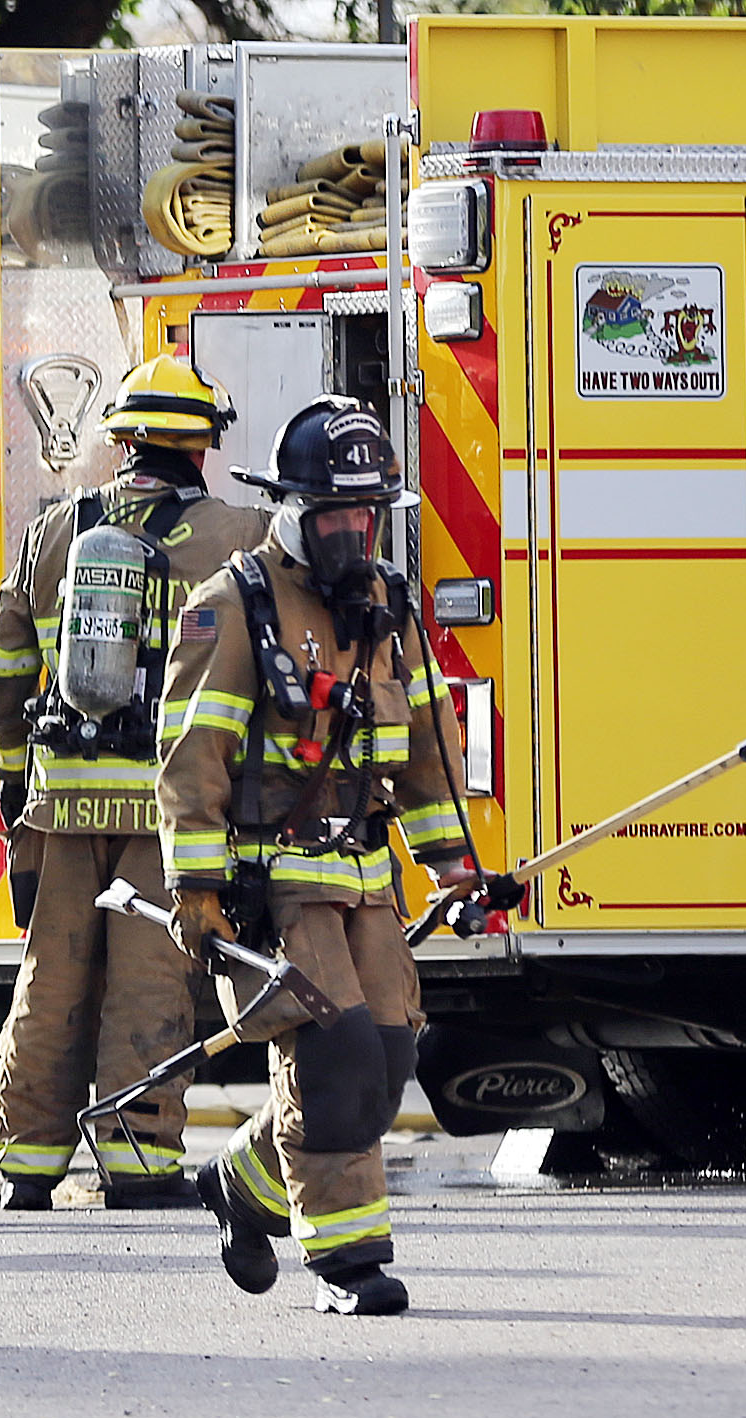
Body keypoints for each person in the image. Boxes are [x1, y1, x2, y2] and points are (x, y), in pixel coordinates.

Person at [158, 396, 478, 1315]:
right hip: (277, 887)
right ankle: (348, 1261)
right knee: (333, 1062)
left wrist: (453, 866)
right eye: (334, 516)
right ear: (292, 508)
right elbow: (191, 758)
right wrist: (196, 888)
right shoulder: (234, 606)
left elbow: (428, 750)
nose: (352, 535)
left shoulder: (387, 609)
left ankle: (241, 1183)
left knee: (385, 1063)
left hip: (367, 880)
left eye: (365, 517)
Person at [0, 356, 270, 1211]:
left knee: (52, 979)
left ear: (119, 442)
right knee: (148, 982)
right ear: (202, 447)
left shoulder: (51, 533)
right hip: (163, 807)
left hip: (62, 804)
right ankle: (137, 1160)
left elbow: (2, 678)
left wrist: (14, 781)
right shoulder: (239, 536)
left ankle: (26, 1162)